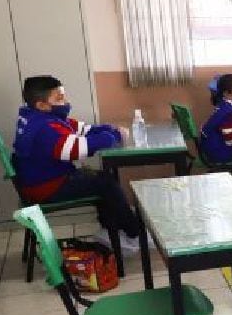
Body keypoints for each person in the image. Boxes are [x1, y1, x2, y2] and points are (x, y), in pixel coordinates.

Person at [11, 76, 143, 250]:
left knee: (101, 181)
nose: (66, 101)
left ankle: (113, 229)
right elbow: (77, 149)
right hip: (46, 187)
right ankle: (135, 233)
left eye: (64, 96)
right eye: (59, 98)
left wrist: (110, 128)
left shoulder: (37, 116)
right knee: (106, 183)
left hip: (40, 181)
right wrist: (113, 137)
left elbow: (81, 129)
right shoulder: (45, 128)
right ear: (41, 105)